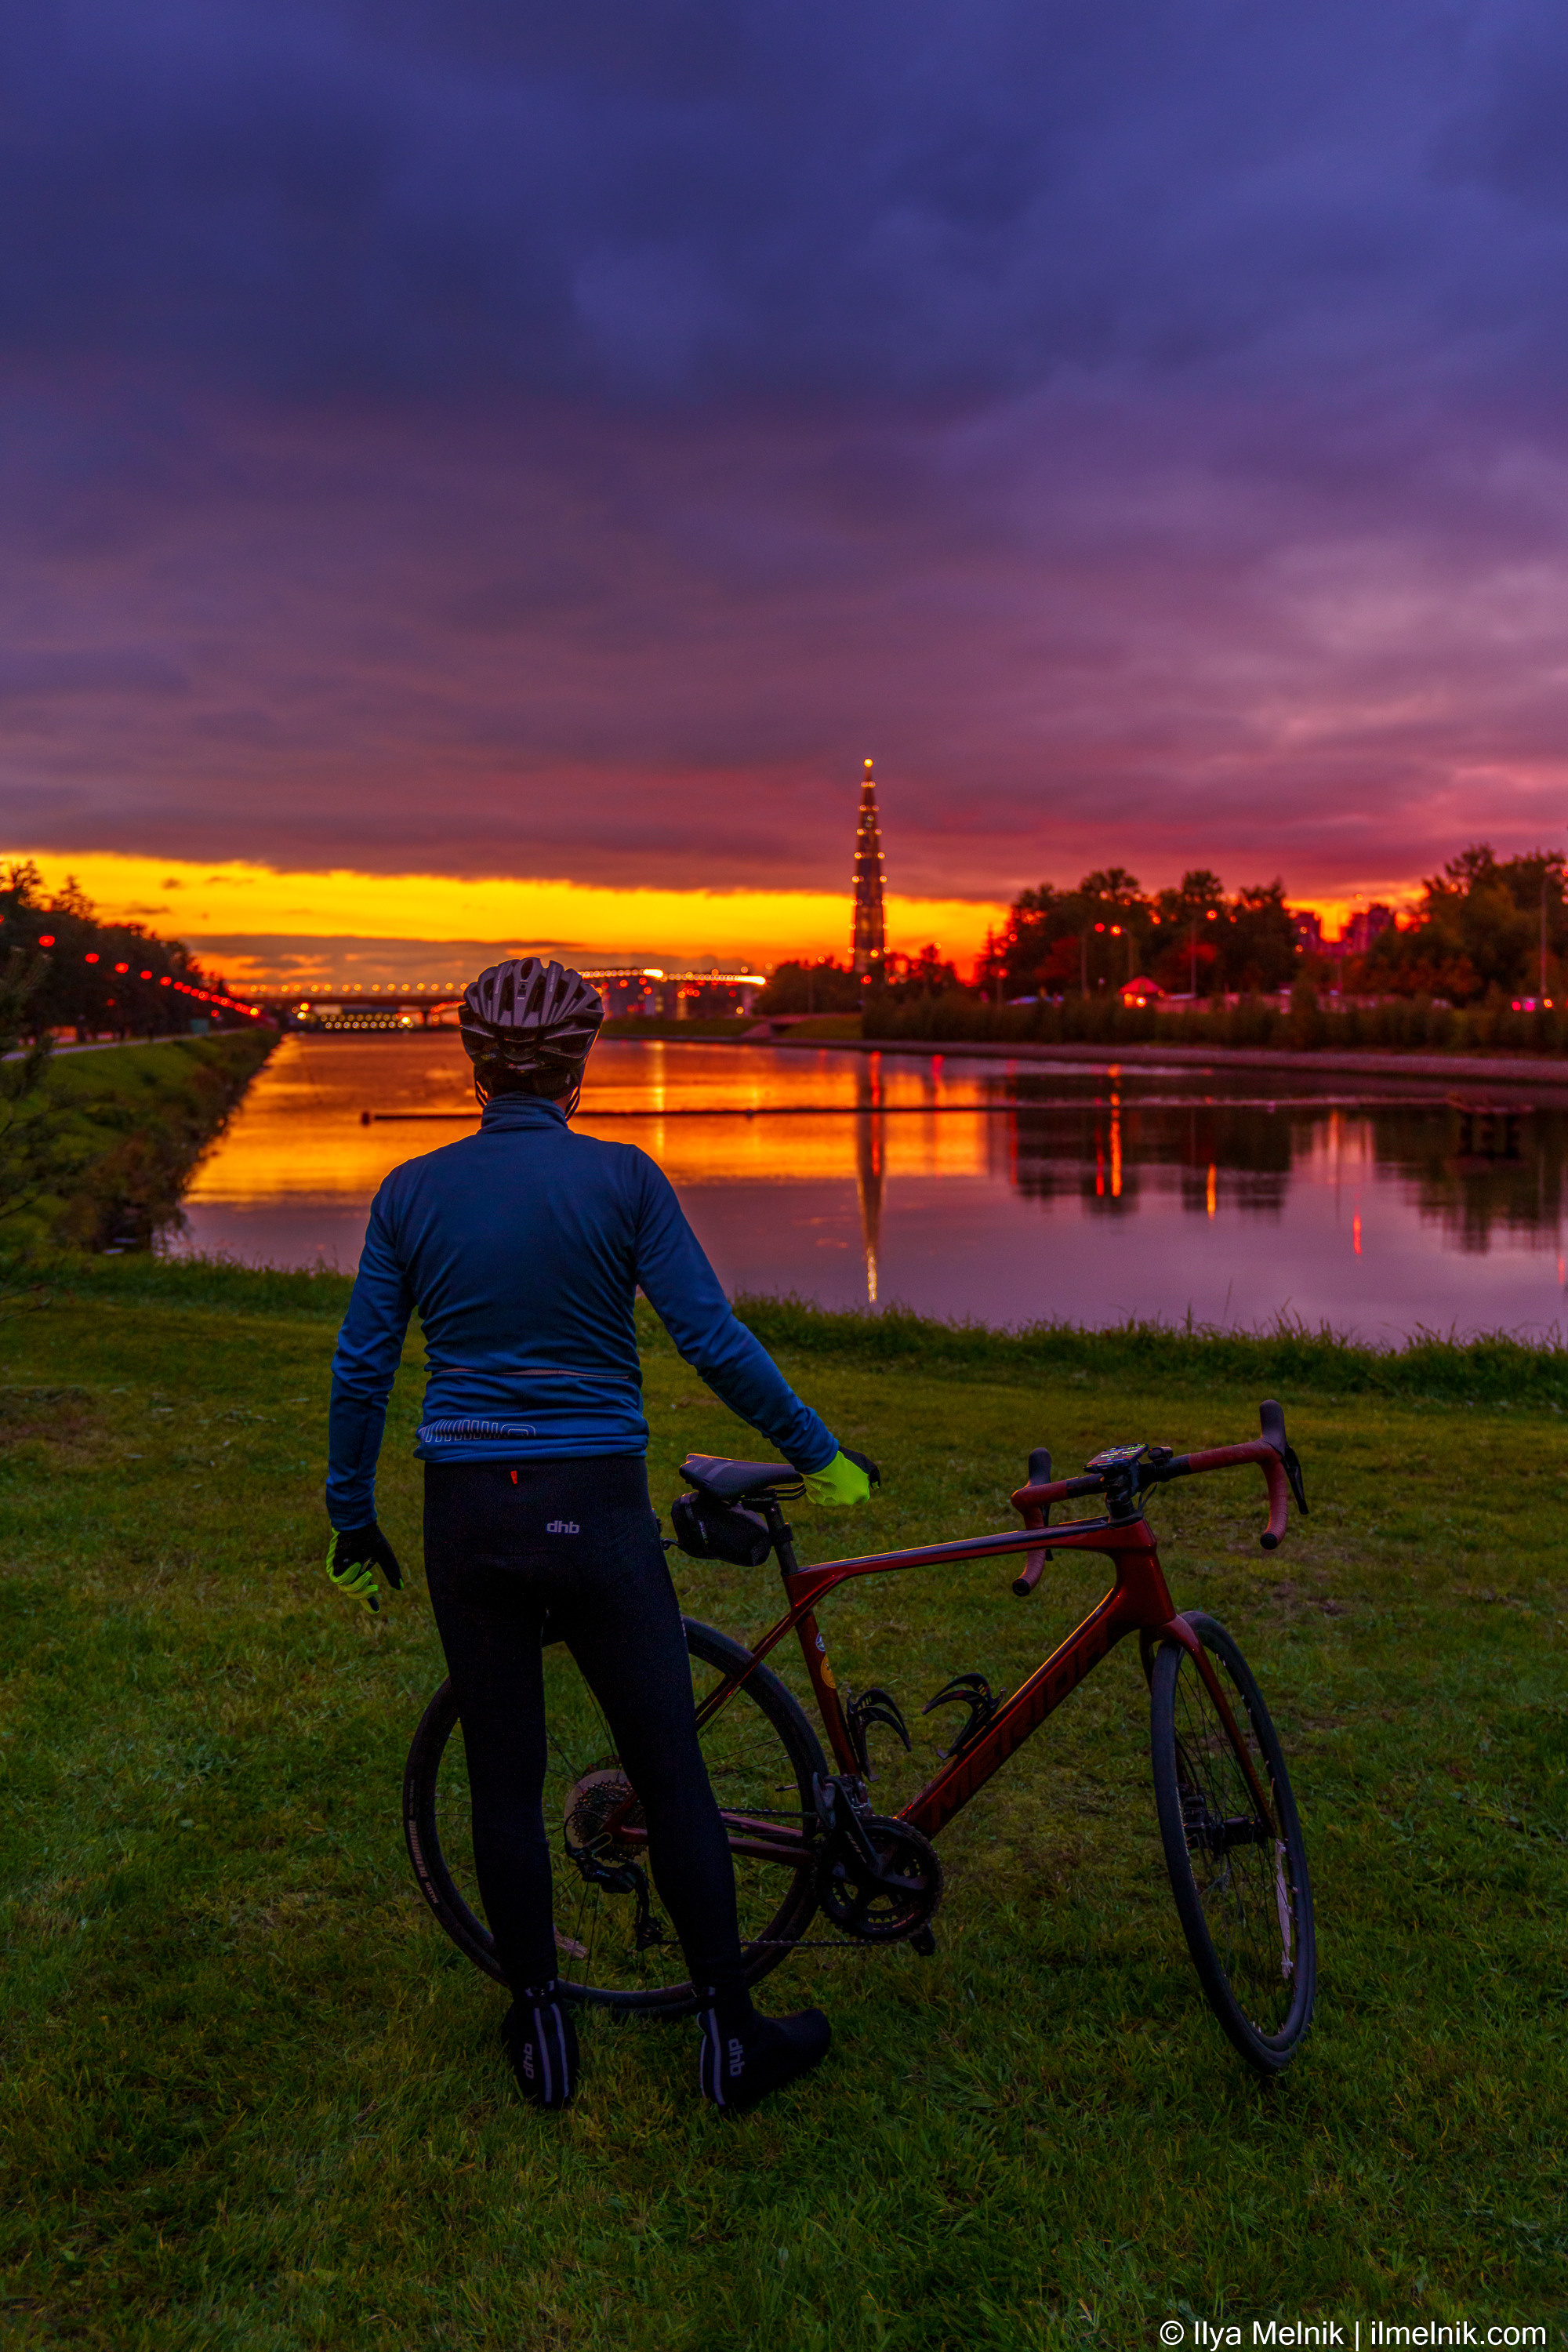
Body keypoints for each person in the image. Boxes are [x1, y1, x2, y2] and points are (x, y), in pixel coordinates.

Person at [322, 956, 873, 2114]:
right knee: (670, 1773)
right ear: (582, 1061)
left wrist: (349, 1514)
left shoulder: (412, 1190)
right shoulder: (624, 1180)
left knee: (504, 1778)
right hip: (597, 1504)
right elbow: (712, 1342)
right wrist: (819, 1452)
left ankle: (540, 2033)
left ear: (473, 1064)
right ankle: (730, 2036)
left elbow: (363, 1365)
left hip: (468, 1508)